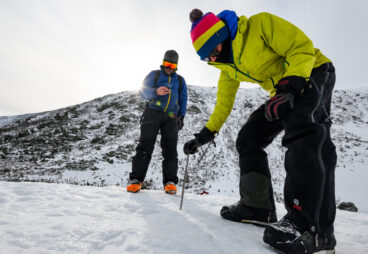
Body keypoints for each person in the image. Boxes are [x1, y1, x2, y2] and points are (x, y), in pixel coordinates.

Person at [184, 9, 337, 254]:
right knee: (249, 138)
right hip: (283, 90)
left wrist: (290, 86)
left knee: (304, 132)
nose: (211, 60)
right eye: (206, 58)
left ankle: (310, 229)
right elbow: (223, 105)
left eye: (212, 52)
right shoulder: (228, 68)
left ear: (221, 39)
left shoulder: (259, 25)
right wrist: (204, 135)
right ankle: (257, 208)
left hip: (311, 71)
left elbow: (301, 46)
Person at [127, 50, 188, 195]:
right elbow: (142, 92)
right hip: (152, 113)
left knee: (170, 149)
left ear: (176, 66)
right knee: (145, 146)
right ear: (163, 62)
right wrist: (156, 92)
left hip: (171, 116)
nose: (169, 67)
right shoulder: (154, 75)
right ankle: (136, 180)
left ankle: (170, 182)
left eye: (172, 65)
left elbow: (183, 99)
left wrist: (181, 117)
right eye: (167, 63)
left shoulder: (180, 80)